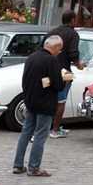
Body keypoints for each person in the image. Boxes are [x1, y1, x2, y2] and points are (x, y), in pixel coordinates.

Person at [13, 35, 63, 177]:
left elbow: (26, 80)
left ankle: (18, 165)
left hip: (30, 101)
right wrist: (65, 80)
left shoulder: (32, 57)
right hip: (45, 103)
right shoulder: (51, 60)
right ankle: (34, 167)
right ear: (55, 47)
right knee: (40, 135)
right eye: (59, 49)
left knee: (26, 132)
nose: (59, 52)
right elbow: (58, 85)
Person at [49, 10, 84, 138]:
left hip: (48, 69)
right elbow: (73, 53)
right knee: (61, 101)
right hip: (65, 71)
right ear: (72, 20)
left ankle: (46, 126)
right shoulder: (73, 34)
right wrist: (79, 64)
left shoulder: (52, 32)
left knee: (49, 99)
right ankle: (55, 130)